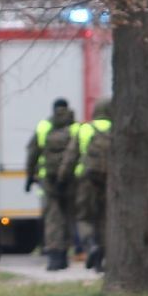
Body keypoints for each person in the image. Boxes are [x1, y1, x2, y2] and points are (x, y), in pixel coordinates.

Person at [60, 98, 112, 272]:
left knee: (84, 217)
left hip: (86, 180)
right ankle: (102, 260)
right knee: (104, 218)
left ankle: (91, 246)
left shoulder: (85, 129)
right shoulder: (116, 129)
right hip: (109, 181)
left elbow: (70, 156)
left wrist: (62, 177)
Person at [25, 98, 77, 271]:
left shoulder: (43, 127)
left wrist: (29, 176)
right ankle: (66, 255)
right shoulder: (76, 128)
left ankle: (55, 258)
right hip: (70, 180)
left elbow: (32, 152)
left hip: (49, 179)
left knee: (53, 218)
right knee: (69, 217)